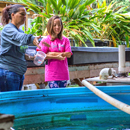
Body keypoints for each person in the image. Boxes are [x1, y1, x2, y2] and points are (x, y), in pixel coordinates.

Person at [0, 4, 46, 92]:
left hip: (18, 73)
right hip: (8, 72)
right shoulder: (8, 29)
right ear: (13, 15)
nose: (24, 17)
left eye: (25, 14)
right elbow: (19, 37)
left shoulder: (20, 31)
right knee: (10, 104)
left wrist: (32, 57)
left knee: (15, 103)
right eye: (22, 14)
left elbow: (20, 53)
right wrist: (33, 39)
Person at [37, 15, 72, 88]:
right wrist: (57, 56)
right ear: (50, 26)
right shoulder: (45, 40)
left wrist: (51, 53)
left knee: (62, 96)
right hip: (52, 75)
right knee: (55, 96)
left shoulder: (65, 40)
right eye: (54, 25)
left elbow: (68, 54)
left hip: (63, 74)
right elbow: (40, 55)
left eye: (59, 25)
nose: (57, 27)